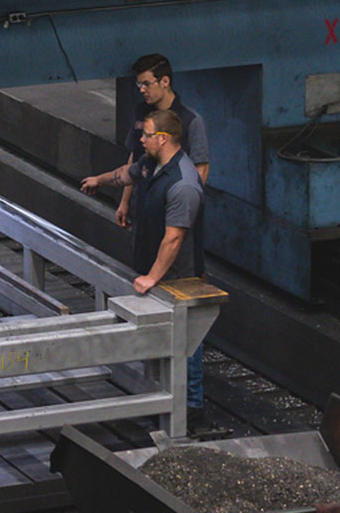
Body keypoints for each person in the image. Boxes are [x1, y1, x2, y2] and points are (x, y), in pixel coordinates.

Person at [80, 109, 208, 431]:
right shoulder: (152, 164)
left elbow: (174, 238)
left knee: (186, 339)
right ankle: (160, 392)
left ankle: (190, 407)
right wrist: (100, 180)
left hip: (179, 274)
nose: (141, 139)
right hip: (150, 264)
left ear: (163, 139)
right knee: (160, 334)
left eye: (146, 134)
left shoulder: (183, 183)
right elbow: (127, 174)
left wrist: (153, 276)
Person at [116, 54, 210, 230]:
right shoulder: (141, 113)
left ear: (165, 81)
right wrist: (125, 201)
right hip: (142, 207)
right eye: (139, 85)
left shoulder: (190, 121)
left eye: (147, 84)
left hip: (171, 211)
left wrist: (185, 210)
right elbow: (134, 158)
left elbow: (201, 168)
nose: (142, 90)